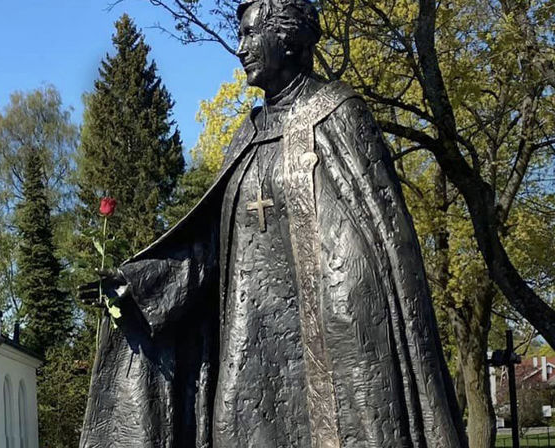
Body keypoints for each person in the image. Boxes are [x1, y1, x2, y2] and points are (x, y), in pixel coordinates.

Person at [79, 0, 466, 446]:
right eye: (239, 36)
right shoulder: (248, 134)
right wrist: (139, 285)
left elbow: (382, 243)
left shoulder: (337, 113)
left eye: (249, 35)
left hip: (335, 345)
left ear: (286, 38)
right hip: (250, 345)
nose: (240, 49)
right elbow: (207, 246)